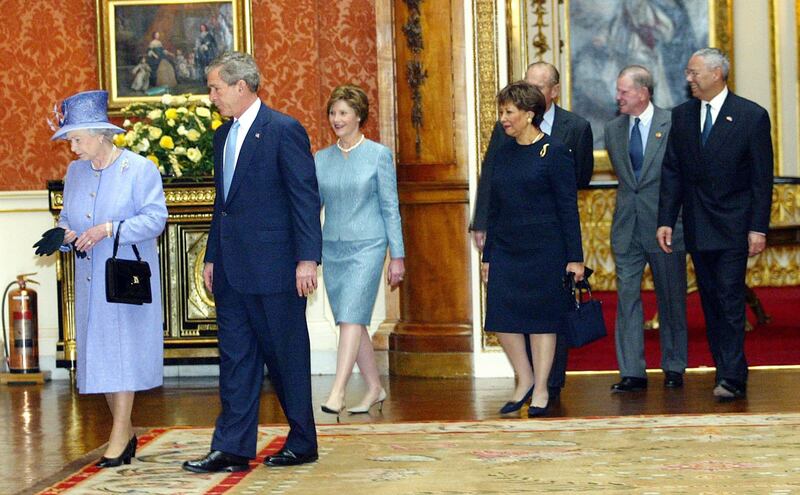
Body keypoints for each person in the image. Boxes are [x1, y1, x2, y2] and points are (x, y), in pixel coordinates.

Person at [183, 52, 322, 473]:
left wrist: (307, 260)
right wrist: (212, 256)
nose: (212, 97)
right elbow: (221, 204)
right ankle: (232, 447)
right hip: (232, 271)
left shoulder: (283, 130)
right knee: (236, 361)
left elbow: (305, 199)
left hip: (277, 268)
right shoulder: (222, 136)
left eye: (215, 88)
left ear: (240, 86)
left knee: (285, 357)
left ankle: (302, 440)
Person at [50, 90, 167, 467]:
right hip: (89, 278)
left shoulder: (138, 169)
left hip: (123, 279)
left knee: (124, 356)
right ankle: (126, 430)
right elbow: (69, 219)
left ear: (101, 134)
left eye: (77, 140)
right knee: (99, 358)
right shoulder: (75, 172)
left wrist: (108, 229)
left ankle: (118, 436)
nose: (73, 148)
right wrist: (63, 236)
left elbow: (155, 219)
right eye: (70, 140)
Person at [471, 61, 594, 401]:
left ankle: (541, 387)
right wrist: (489, 255)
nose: (503, 118)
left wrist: (575, 259)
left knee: (543, 321)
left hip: (546, 249)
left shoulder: (553, 152)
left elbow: (568, 209)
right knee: (502, 317)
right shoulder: (505, 151)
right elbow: (494, 205)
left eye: (509, 111)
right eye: (501, 112)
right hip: (508, 248)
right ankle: (523, 379)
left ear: (528, 114)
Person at [657, 48, 773, 401]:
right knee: (710, 301)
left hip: (735, 226)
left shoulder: (751, 116)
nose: (688, 79)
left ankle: (732, 375)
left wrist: (758, 227)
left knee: (729, 297)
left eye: (694, 73)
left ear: (717, 74)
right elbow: (673, 172)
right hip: (697, 224)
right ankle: (727, 367)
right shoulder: (683, 116)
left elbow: (760, 179)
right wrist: (665, 220)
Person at [315, 85, 405, 418]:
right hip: (333, 247)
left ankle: (337, 390)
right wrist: (306, 253)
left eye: (342, 113)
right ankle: (374, 388)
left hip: (368, 246)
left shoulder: (378, 155)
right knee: (351, 320)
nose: (336, 119)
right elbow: (312, 208)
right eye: (333, 113)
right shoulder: (321, 159)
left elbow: (390, 206)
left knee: (352, 316)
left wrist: (397, 255)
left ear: (358, 115)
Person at [604, 66, 687, 393]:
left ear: (643, 92)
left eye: (624, 91)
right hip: (627, 227)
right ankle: (632, 372)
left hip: (664, 226)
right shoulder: (612, 129)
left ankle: (674, 366)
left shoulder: (672, 123)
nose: (618, 97)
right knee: (626, 298)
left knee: (670, 297)